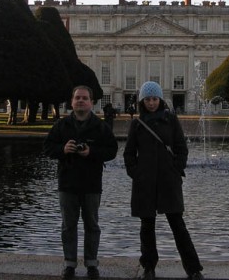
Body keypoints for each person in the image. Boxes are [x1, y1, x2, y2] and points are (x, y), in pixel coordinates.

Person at [123, 81, 204, 280]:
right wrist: (137, 173)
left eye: (155, 99)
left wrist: (177, 169)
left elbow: (181, 148)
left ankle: (193, 269)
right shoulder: (137, 124)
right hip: (146, 183)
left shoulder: (171, 120)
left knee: (178, 225)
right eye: (148, 99)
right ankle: (148, 267)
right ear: (143, 101)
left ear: (160, 100)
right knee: (147, 228)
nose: (151, 103)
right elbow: (129, 154)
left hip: (169, 181)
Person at [44, 85, 118, 280]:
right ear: (72, 101)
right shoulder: (62, 125)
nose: (81, 101)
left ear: (92, 102)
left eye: (85, 98)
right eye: (77, 98)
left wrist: (91, 152)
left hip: (92, 183)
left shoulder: (100, 127)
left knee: (92, 225)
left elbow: (112, 150)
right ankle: (69, 264)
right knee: (68, 225)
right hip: (67, 183)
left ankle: (91, 264)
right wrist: (63, 149)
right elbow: (47, 147)